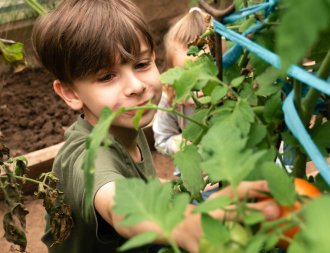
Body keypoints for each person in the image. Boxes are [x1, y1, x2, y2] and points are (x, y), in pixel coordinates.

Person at [31, 1, 281, 253]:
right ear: (71, 93)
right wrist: (184, 224)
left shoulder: (125, 124)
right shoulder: (86, 158)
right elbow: (118, 204)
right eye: (107, 76)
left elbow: (140, 183)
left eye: (141, 64)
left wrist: (175, 189)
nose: (136, 86)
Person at [153, 8, 209, 176]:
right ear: (172, 72)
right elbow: (162, 140)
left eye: (205, 74)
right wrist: (182, 144)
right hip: (192, 179)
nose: (194, 85)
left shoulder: (230, 98)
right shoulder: (171, 100)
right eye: (185, 75)